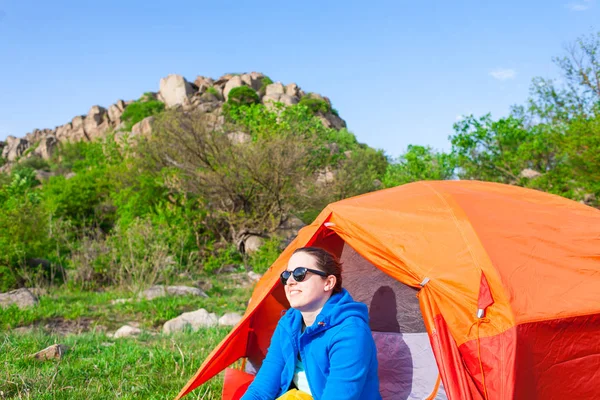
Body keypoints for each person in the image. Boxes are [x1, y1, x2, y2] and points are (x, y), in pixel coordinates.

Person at [241, 246, 381, 400]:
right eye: (286, 275)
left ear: (328, 282)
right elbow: (261, 390)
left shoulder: (350, 332)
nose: (290, 282)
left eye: (300, 273)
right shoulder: (288, 325)